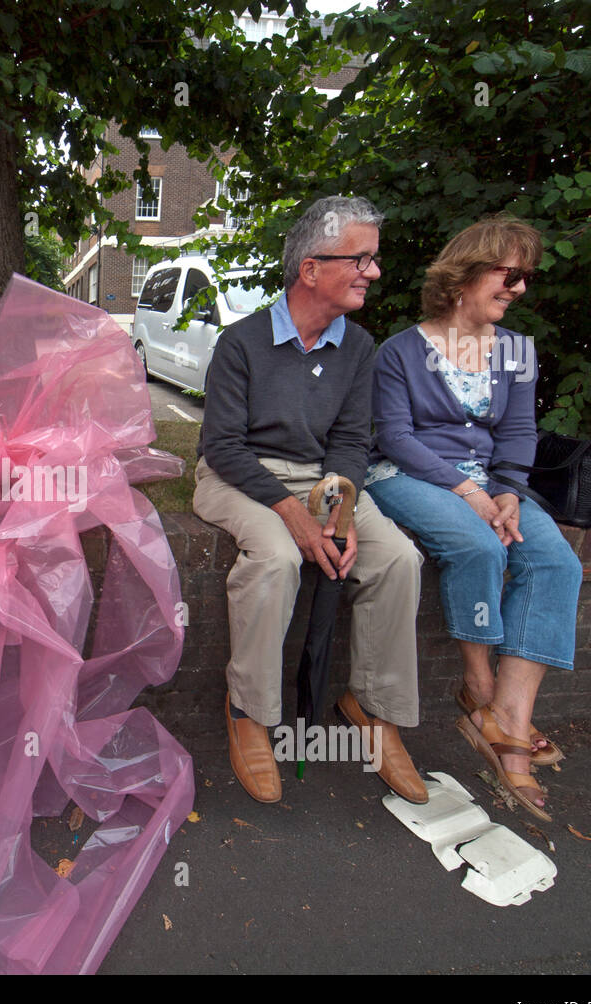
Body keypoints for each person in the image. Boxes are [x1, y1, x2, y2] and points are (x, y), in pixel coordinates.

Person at [194, 195, 426, 805]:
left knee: (398, 559)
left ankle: (375, 709)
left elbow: (351, 440)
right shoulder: (241, 344)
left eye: (373, 260)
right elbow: (222, 446)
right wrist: (293, 513)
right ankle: (250, 710)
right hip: (241, 476)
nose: (373, 272)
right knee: (275, 559)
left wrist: (338, 512)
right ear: (311, 269)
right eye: (361, 259)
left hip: (325, 480)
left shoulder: (358, 348)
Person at [365, 215, 581, 823]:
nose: (518, 288)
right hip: (411, 475)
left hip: (492, 484)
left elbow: (518, 432)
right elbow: (397, 437)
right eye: (508, 274)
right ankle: (479, 687)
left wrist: (510, 491)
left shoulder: (516, 352)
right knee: (479, 548)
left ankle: (508, 720)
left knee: (555, 562)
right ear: (466, 274)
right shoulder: (401, 351)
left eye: (526, 278)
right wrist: (465, 490)